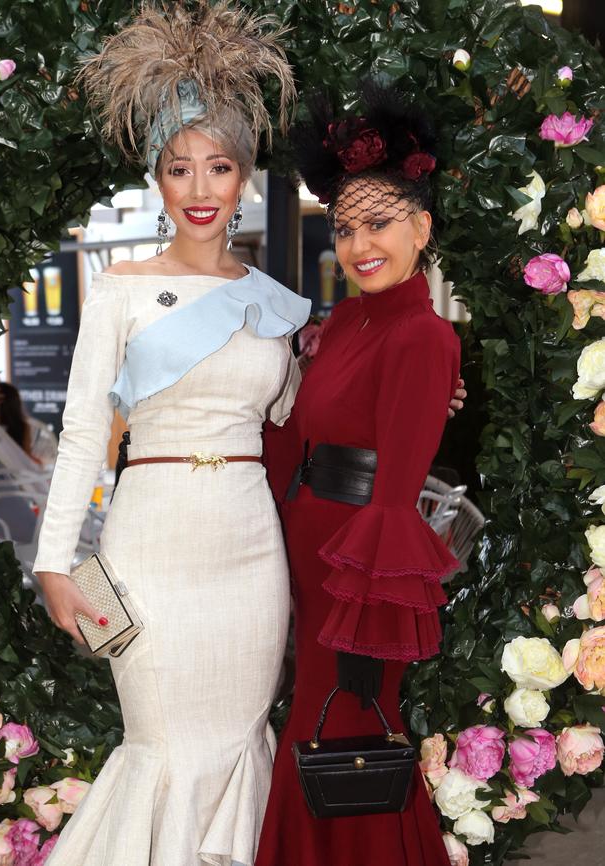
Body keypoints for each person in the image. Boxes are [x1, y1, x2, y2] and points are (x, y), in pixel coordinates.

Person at [32, 4, 308, 865]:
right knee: (164, 744)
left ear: (243, 178)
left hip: (249, 552)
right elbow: (82, 436)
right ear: (157, 179)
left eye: (218, 167)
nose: (199, 189)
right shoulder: (116, 288)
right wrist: (51, 562)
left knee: (236, 740)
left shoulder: (271, 303)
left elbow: (301, 416)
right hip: (151, 545)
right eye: (180, 168)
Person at [256, 85, 461, 866]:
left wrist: (363, 595)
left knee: (342, 729)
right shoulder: (341, 322)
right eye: (344, 227)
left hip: (359, 567)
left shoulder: (422, 334)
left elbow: (398, 485)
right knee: (325, 726)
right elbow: (298, 438)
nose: (358, 244)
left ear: (421, 227)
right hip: (313, 549)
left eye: (378, 223)